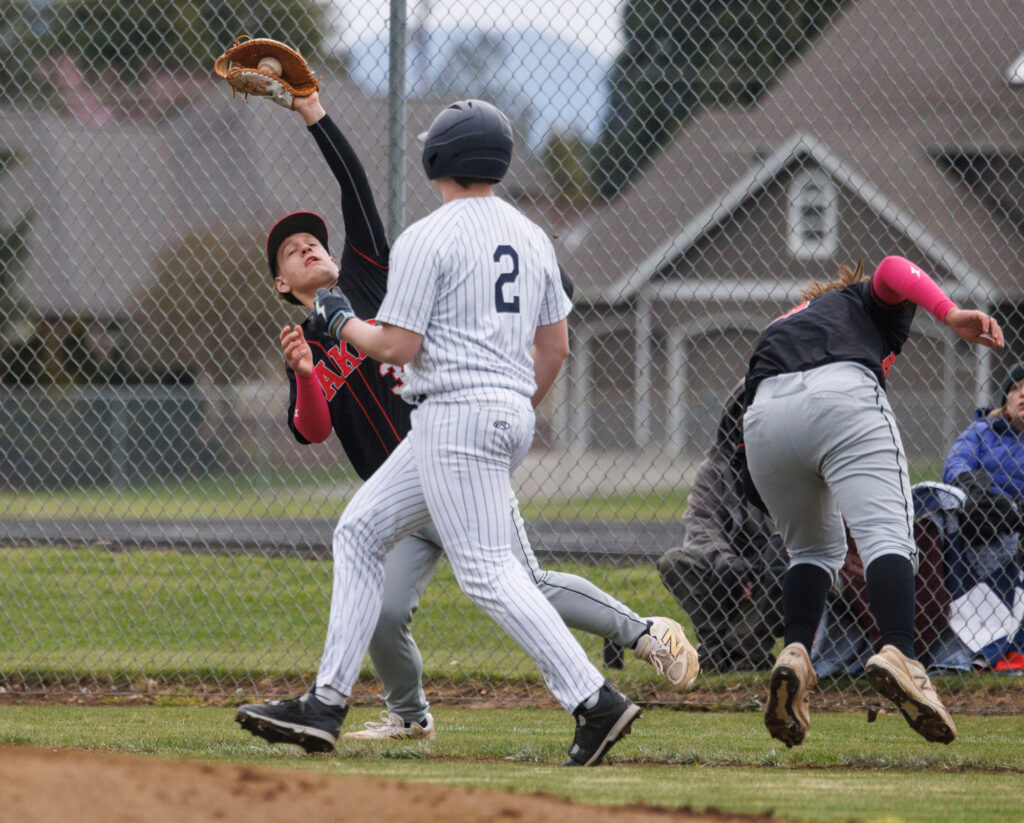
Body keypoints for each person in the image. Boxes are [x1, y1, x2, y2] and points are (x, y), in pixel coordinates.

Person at [234, 97, 697, 765]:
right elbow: (558, 346)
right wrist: (513, 402)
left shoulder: (430, 236)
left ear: (437, 160)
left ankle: (594, 699)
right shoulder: (534, 235)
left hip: (455, 414)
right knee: (359, 531)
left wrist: (339, 321)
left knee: (488, 575)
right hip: (486, 414)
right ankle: (326, 704)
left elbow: (395, 345)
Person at [741, 255, 1004, 748]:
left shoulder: (786, 322)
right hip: (841, 395)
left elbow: (744, 427)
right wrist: (949, 315)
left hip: (763, 420)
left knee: (813, 552)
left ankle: (795, 652)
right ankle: (900, 654)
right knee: (889, 536)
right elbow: (893, 268)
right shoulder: (861, 300)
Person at [657, 385, 786, 672]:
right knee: (674, 561)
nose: (748, 420)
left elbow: (796, 525)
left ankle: (741, 649)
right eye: (743, 412)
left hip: (769, 570)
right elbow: (700, 522)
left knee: (786, 562)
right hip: (726, 570)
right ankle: (717, 647)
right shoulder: (713, 469)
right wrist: (725, 560)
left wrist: (766, 559)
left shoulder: (788, 466)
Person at [938, 362, 1024, 667]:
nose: (1022, 394)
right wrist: (980, 494)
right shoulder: (981, 431)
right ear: (1006, 398)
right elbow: (956, 466)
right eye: (1016, 388)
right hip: (980, 512)